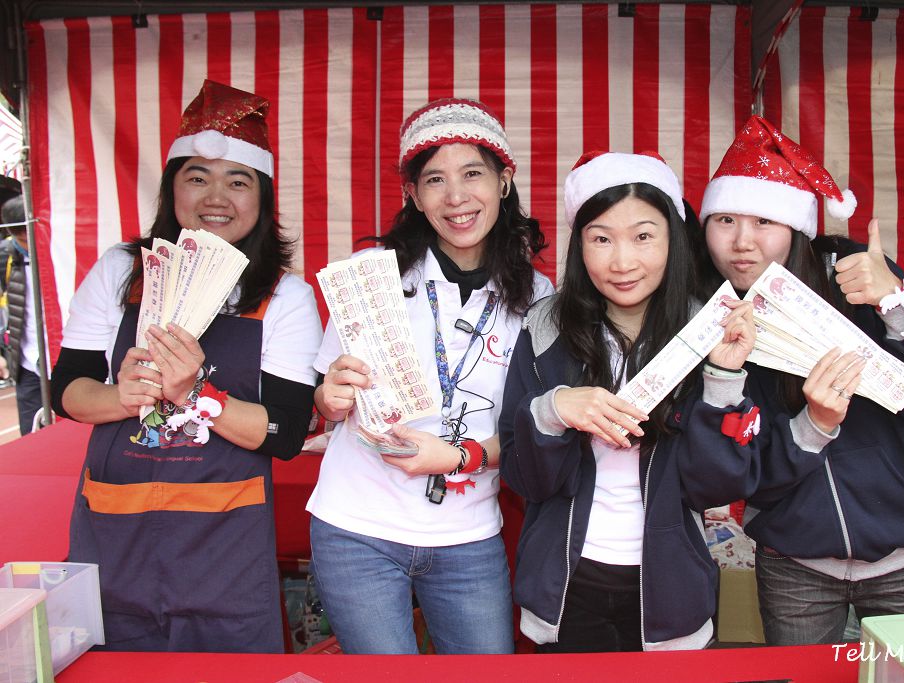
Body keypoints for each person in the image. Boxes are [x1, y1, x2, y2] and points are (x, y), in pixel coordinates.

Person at [50, 80, 323, 652]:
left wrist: (197, 392)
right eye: (197, 177)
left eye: (238, 181)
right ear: (171, 187)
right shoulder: (121, 270)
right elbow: (67, 390)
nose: (215, 197)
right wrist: (121, 396)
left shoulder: (285, 297)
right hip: (114, 531)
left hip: (224, 544)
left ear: (263, 197)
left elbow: (286, 433)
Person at [695, 115, 904, 646]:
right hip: (796, 561)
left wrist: (894, 301)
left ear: (795, 226)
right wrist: (813, 426)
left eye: (764, 221)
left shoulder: (853, 274)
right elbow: (734, 469)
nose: (741, 242)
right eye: (725, 220)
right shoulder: (710, 316)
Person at [307, 98, 552, 655]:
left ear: (504, 181)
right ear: (414, 196)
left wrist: (459, 456)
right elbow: (326, 400)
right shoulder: (373, 278)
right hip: (357, 528)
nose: (456, 197)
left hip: (468, 536)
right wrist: (331, 395)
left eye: (473, 174)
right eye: (435, 180)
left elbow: (531, 428)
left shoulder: (539, 298)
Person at [498, 151, 762, 652]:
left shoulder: (711, 329)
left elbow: (718, 488)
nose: (622, 262)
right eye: (601, 239)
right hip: (566, 590)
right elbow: (524, 480)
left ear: (673, 239)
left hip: (670, 590)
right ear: (580, 245)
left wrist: (724, 379)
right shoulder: (546, 330)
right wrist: (552, 413)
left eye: (643, 236)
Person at [0, 194, 45, 433]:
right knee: (31, 432)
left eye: (30, 237)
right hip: (27, 359)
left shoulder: (61, 252)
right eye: (21, 239)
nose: (28, 245)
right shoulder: (6, 255)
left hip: (62, 356)